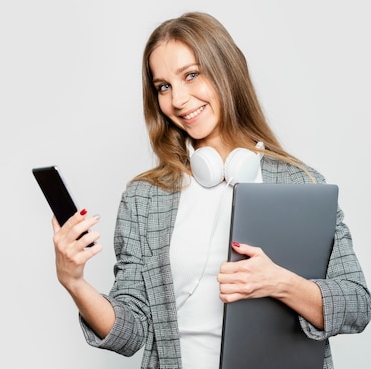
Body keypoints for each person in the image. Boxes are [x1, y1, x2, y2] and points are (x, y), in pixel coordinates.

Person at [50, 11, 371, 369]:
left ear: (226, 70)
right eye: (164, 86)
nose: (179, 100)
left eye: (191, 75)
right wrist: (74, 282)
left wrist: (280, 283)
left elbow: (356, 307)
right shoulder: (145, 197)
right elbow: (131, 333)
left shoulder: (302, 184)